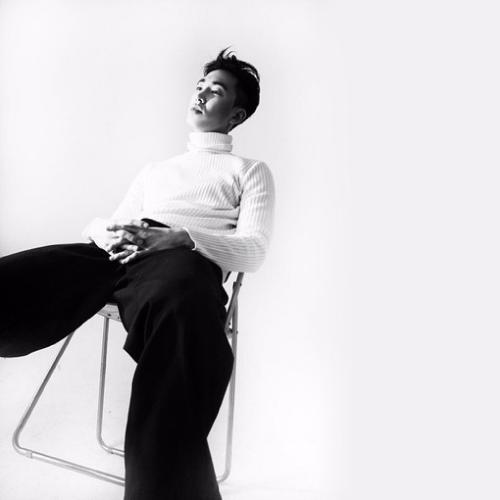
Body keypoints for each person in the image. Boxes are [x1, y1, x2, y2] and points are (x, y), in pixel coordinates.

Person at [0, 47, 275, 500]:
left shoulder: (249, 171)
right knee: (18, 278)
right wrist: (109, 231)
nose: (201, 94)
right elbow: (109, 223)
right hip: (121, 252)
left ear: (237, 114)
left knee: (185, 318)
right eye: (200, 86)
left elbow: (254, 250)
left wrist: (181, 238)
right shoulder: (157, 171)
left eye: (216, 90)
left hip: (183, 263)